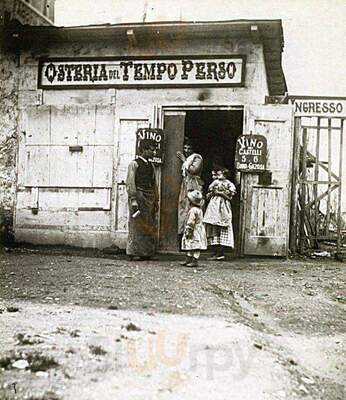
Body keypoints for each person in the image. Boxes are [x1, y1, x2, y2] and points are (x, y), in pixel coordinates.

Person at [126, 139, 158, 261]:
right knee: (136, 223)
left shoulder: (151, 166)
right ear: (144, 149)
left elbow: (154, 183)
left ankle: (146, 252)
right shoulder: (134, 164)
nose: (154, 152)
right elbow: (130, 182)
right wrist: (133, 199)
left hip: (149, 197)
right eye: (151, 149)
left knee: (148, 223)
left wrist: (156, 200)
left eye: (155, 149)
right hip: (138, 196)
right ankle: (134, 252)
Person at [203, 167, 236, 260]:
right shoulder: (215, 182)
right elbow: (210, 192)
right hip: (214, 207)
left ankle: (221, 253)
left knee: (223, 227)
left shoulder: (229, 184)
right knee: (214, 227)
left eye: (220, 173)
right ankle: (215, 252)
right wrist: (212, 193)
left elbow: (230, 197)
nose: (218, 175)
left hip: (223, 207)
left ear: (225, 174)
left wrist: (220, 193)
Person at [176, 139, 203, 245]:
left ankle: (193, 241)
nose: (186, 150)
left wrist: (184, 160)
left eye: (189, 148)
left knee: (192, 210)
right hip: (185, 185)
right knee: (183, 209)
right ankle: (182, 240)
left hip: (194, 184)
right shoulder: (189, 158)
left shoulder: (197, 157)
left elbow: (193, 170)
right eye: (185, 148)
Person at [181, 190, 207, 267]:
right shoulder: (199, 210)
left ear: (191, 202)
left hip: (194, 230)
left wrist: (189, 229)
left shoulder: (193, 210)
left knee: (194, 245)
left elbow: (191, 221)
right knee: (192, 244)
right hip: (199, 229)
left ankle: (194, 260)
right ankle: (189, 259)